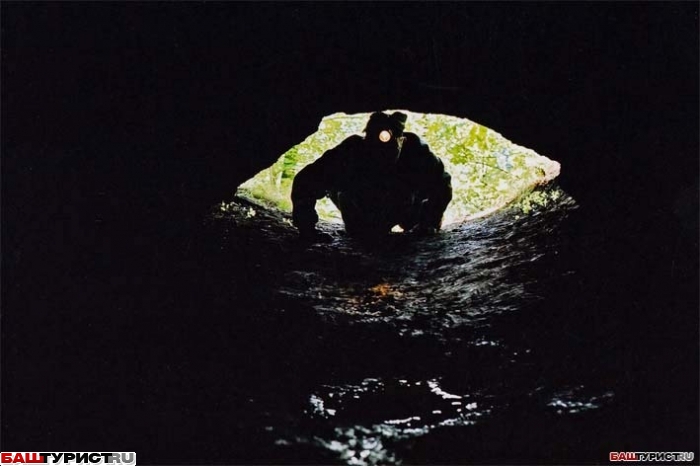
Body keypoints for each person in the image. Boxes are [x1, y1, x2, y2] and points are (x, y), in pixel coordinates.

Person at [291, 111, 452, 241]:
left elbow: (442, 183)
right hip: (360, 212)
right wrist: (307, 228)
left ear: (402, 141)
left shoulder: (415, 152)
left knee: (416, 223)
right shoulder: (350, 152)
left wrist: (430, 220)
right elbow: (306, 182)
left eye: (388, 145)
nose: (380, 152)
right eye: (372, 142)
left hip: (404, 208)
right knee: (364, 236)